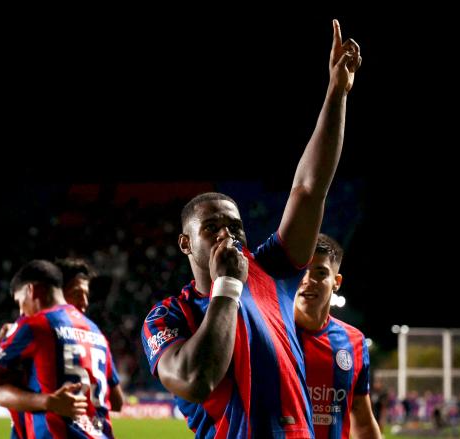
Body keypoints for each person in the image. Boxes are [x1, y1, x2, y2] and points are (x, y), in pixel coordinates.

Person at [141, 19, 362, 438]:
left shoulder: (272, 270)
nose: (229, 234)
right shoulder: (169, 316)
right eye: (213, 227)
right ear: (186, 243)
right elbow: (195, 379)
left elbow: (309, 189)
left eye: (235, 226)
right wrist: (227, 287)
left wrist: (336, 93)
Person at [0, 260, 119, 438]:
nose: (21, 311)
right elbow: (117, 402)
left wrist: (1, 338)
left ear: (31, 290)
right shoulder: (96, 332)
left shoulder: (34, 325)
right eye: (78, 293)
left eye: (20, 302)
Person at [294, 233, 380, 438]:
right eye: (301, 271)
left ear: (336, 281)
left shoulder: (354, 341)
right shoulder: (269, 331)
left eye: (321, 272)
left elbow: (364, 421)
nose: (308, 280)